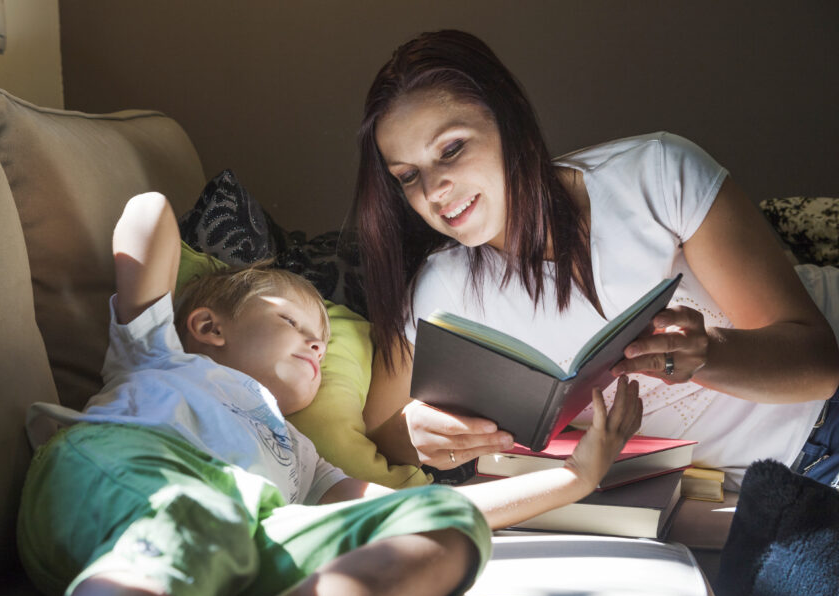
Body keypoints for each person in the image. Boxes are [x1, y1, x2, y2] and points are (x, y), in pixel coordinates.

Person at [16, 190, 643, 596]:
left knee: (448, 534)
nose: (319, 342)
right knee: (200, 511)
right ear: (208, 326)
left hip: (243, 539)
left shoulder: (302, 456)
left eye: (323, 336)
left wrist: (572, 480)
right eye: (291, 320)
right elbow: (146, 216)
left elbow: (404, 506)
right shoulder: (157, 355)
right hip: (122, 480)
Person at [353, 29, 839, 491]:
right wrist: (418, 433)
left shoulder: (656, 175)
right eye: (408, 176)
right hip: (727, 491)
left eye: (451, 149)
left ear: (508, 120)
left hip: (823, 418)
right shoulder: (442, 289)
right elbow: (381, 432)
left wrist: (709, 352)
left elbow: (817, 364)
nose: (434, 190)